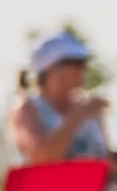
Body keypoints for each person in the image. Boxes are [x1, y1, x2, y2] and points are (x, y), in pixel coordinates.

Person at [11, 32, 111, 165]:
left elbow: (106, 160)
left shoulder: (90, 110)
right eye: (75, 62)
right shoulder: (26, 109)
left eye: (83, 62)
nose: (82, 68)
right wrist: (79, 116)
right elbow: (42, 157)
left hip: (93, 186)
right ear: (51, 68)